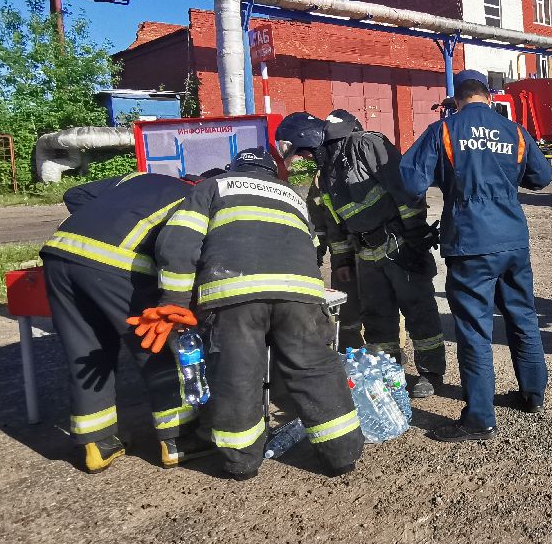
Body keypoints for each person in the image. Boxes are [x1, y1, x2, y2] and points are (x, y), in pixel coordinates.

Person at [153, 147, 363, 480]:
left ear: (234, 168)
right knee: (314, 368)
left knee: (238, 373)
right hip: (300, 294)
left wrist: (175, 302)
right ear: (271, 172)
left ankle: (242, 462)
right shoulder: (292, 196)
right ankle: (342, 455)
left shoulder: (213, 187)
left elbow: (178, 244)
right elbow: (309, 246)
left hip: (234, 293)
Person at [400, 70, 552, 443]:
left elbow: (410, 180)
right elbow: (542, 177)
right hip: (513, 240)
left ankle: (479, 419)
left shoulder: (447, 130)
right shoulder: (514, 130)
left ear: (457, 99)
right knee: (523, 317)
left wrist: (446, 175)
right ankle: (532, 396)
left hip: (471, 243)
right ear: (488, 96)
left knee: (474, 330)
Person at [40, 171, 211, 472]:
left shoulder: (136, 177)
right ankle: (179, 441)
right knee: (155, 343)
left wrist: (103, 223)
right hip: (118, 264)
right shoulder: (195, 199)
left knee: (86, 351)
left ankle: (99, 444)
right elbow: (178, 247)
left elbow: (75, 195)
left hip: (58, 253)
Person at [313, 109, 445, 398]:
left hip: (398, 242)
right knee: (376, 318)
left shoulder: (366, 144)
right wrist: (343, 259)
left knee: (418, 309)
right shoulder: (326, 170)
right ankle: (388, 372)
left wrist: (413, 233)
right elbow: (334, 219)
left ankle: (431, 373)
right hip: (365, 254)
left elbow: (405, 187)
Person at [274, 112, 365, 352]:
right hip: (334, 245)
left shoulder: (343, 164)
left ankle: (381, 352)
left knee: (374, 300)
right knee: (345, 303)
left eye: (300, 152)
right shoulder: (317, 169)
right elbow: (321, 214)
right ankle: (347, 348)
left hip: (364, 241)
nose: (298, 159)